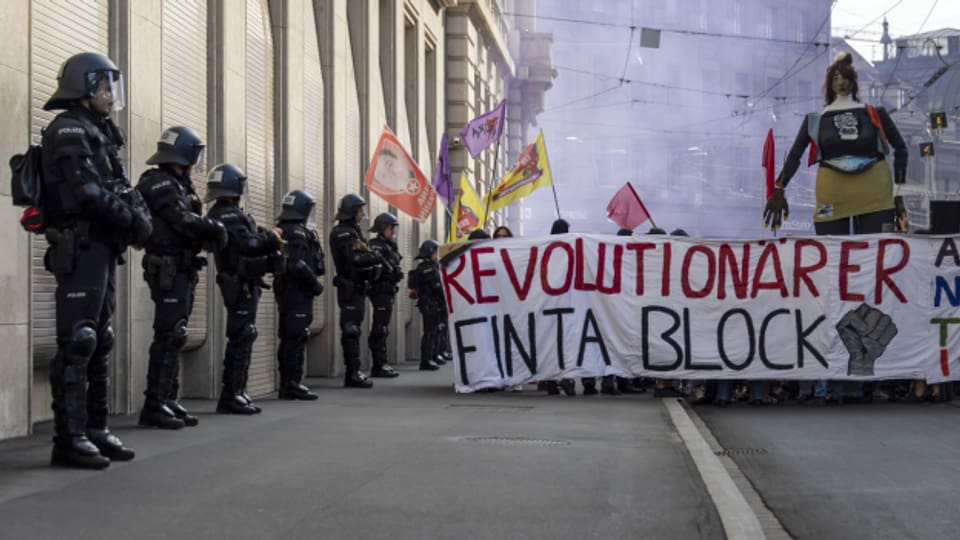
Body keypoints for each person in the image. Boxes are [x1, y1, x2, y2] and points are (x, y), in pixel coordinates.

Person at [764, 51, 908, 405]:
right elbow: (795, 155)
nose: (840, 82)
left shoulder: (876, 114)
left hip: (876, 191)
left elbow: (902, 150)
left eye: (844, 77)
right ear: (828, 84)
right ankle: (839, 363)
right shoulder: (815, 120)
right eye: (834, 78)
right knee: (832, 272)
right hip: (832, 193)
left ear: (853, 81)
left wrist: (899, 196)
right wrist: (778, 189)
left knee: (876, 271)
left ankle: (872, 369)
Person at [40, 52, 152, 469]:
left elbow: (120, 187)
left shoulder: (100, 131)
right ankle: (67, 439)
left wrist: (137, 218)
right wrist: (133, 222)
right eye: (105, 87)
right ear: (86, 88)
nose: (111, 96)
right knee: (79, 340)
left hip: (103, 246)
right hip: (80, 245)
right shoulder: (69, 129)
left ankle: (95, 428)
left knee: (99, 339)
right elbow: (87, 192)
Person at [136, 127, 226, 429]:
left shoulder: (178, 183)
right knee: (169, 333)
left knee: (177, 334)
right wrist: (214, 228)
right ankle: (154, 403)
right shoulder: (160, 183)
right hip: (167, 267)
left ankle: (168, 398)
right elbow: (182, 220)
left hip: (181, 267)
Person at [206, 164, 284, 414]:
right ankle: (230, 394)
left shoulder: (227, 213)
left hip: (245, 283)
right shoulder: (226, 214)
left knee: (245, 335)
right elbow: (248, 244)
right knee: (241, 336)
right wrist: (271, 237)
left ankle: (238, 391)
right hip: (239, 285)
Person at [273, 190, 326, 400]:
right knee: (294, 337)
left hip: (292, 291)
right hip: (296, 291)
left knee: (293, 336)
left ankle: (291, 383)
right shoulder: (295, 233)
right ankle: (291, 383)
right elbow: (296, 264)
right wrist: (315, 285)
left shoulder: (290, 230)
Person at [329, 194, 382, 388]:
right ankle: (352, 373)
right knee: (351, 329)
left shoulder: (353, 231)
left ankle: (355, 371)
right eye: (360, 211)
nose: (362, 215)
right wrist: (374, 258)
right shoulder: (343, 233)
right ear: (352, 212)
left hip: (357, 287)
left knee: (354, 328)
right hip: (349, 287)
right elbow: (354, 260)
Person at [367, 212, 404, 378]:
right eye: (391, 228)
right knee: (379, 329)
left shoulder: (389, 245)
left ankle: (382, 363)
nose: (393, 232)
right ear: (383, 228)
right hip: (380, 290)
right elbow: (374, 266)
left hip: (388, 290)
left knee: (383, 328)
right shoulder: (376, 245)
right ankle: (378, 365)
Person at [408, 240, 445, 371]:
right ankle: (426, 360)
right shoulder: (428, 268)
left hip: (431, 303)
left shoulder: (427, 267)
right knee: (430, 332)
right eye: (436, 252)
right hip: (430, 303)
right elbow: (437, 287)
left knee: (434, 331)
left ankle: (432, 356)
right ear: (430, 253)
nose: (437, 255)